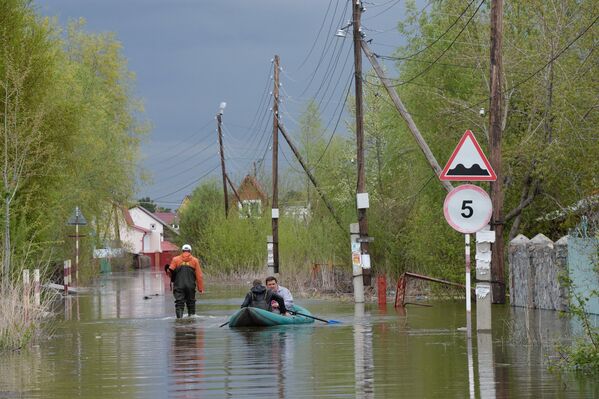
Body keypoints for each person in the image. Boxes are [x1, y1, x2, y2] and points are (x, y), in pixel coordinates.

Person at [167, 244, 204, 318]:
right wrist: (200, 289)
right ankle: (192, 320)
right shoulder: (195, 260)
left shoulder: (175, 259)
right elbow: (199, 276)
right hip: (190, 286)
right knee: (191, 303)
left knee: (179, 303)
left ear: (182, 251)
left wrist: (172, 278)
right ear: (190, 251)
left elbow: (169, 271)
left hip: (179, 286)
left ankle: (179, 320)